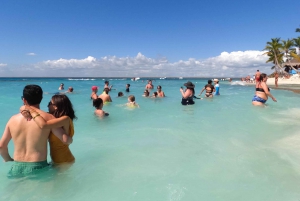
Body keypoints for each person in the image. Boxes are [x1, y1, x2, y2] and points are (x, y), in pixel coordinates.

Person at [0, 85, 72, 177]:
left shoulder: (12, 119)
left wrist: (8, 158)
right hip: (38, 166)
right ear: (41, 98)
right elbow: (65, 140)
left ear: (24, 100)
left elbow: (1, 146)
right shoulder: (48, 118)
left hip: (17, 166)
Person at [24, 94, 77, 164]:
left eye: (50, 103)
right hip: (58, 161)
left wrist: (30, 109)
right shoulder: (54, 119)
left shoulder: (65, 119)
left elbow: (43, 124)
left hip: (64, 161)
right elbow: (41, 115)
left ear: (56, 107)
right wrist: (23, 109)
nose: (47, 106)